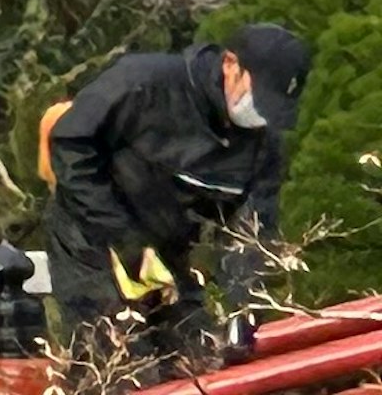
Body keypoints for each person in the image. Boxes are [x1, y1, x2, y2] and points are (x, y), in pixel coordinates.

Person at [44, 24, 312, 348]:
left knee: (199, 354)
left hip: (169, 252)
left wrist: (243, 308)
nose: (259, 112)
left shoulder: (263, 148)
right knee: (118, 358)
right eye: (257, 96)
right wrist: (122, 236)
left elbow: (253, 232)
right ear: (230, 64)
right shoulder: (143, 82)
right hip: (92, 239)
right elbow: (70, 141)